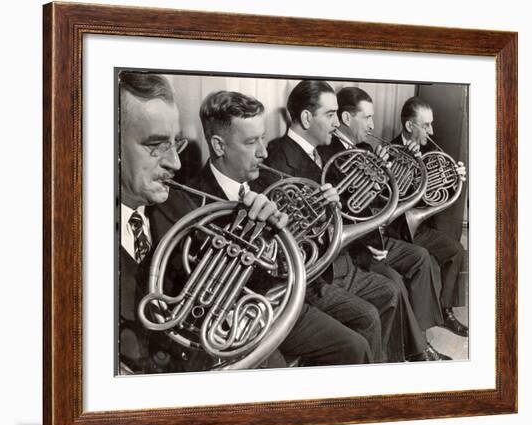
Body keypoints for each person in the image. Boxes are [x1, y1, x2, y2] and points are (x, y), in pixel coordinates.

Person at [118, 72, 293, 374]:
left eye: (176, 144)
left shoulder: (182, 208)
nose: (175, 163)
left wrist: (257, 233)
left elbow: (232, 291)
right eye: (156, 145)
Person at [191, 89, 378, 365]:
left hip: (283, 300)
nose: (263, 152)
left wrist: (324, 212)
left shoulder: (266, 180)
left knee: (355, 346)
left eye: (263, 138)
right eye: (251, 142)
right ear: (219, 146)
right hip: (240, 319)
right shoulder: (194, 199)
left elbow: (297, 250)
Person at [260, 80, 438, 362]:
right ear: (307, 118)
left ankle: (389, 364)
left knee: (390, 291)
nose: (335, 122)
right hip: (316, 272)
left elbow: (352, 205)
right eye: (330, 115)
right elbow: (290, 235)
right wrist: (326, 209)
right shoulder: (278, 160)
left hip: (339, 258)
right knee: (371, 311)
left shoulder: (318, 152)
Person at [317, 86, 451, 361]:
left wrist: (409, 163)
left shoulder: (367, 148)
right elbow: (343, 210)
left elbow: (388, 198)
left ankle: (421, 338)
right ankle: (412, 352)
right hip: (356, 245)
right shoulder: (328, 153)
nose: (373, 125)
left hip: (378, 236)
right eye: (367, 118)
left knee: (421, 257)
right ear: (345, 118)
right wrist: (368, 240)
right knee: (393, 283)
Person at [390, 96, 468, 337]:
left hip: (418, 228)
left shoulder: (431, 151)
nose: (432, 130)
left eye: (431, 124)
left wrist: (456, 178)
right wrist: (405, 163)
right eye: (426, 125)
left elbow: (436, 196)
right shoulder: (389, 151)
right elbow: (388, 198)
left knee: (456, 251)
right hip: (396, 230)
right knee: (425, 259)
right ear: (409, 126)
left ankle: (445, 311)